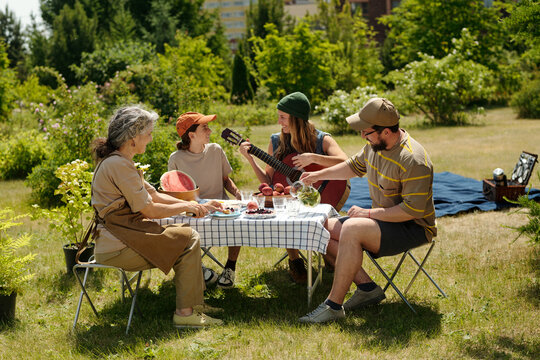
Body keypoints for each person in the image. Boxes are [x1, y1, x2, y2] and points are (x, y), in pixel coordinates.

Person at [298, 97, 437, 323]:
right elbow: (353, 166)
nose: (362, 136)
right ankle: (367, 288)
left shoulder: (413, 159)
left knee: (352, 228)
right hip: (384, 222)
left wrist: (368, 213)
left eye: (367, 132)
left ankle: (333, 305)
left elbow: (412, 211)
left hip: (413, 227)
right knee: (320, 226)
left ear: (386, 132)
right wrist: (318, 175)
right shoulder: (375, 145)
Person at [91, 105, 224, 328]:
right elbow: (150, 209)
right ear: (133, 137)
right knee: (188, 239)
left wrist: (190, 204)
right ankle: (185, 313)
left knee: (185, 236)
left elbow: (153, 194)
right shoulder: (118, 164)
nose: (151, 139)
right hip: (117, 248)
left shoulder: (120, 161)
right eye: (149, 134)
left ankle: (194, 305)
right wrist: (187, 208)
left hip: (124, 237)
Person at [238, 92, 348, 284]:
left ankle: (324, 251)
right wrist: (251, 160)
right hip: (291, 203)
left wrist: (314, 158)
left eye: (283, 117)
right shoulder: (276, 141)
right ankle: (295, 260)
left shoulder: (322, 139)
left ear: (297, 119)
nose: (279, 122)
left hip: (323, 196)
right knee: (287, 214)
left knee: (335, 259)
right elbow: (268, 180)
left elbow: (346, 162)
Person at [168, 112, 242, 289]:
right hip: (193, 211)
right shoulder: (176, 159)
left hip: (221, 208)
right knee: (175, 231)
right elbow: (174, 192)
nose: (210, 130)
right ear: (191, 135)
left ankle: (230, 267)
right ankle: (199, 269)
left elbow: (225, 179)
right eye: (205, 127)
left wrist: (236, 192)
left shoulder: (215, 149)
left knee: (239, 223)